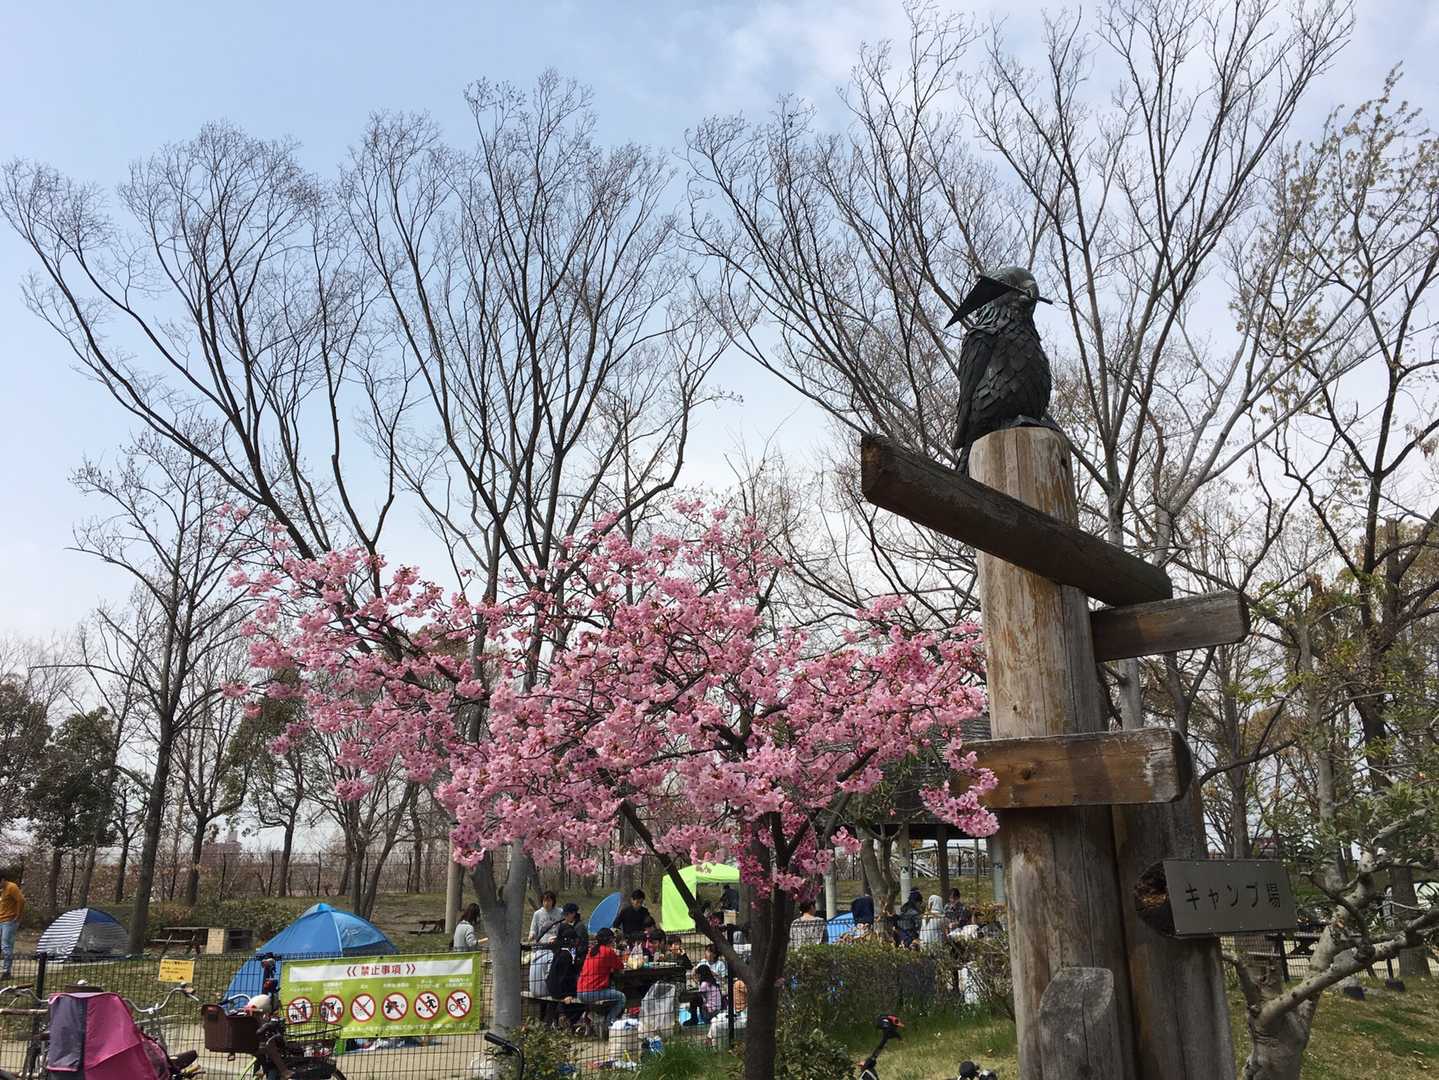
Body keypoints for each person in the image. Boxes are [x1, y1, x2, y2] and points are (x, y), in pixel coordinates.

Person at [577, 928, 628, 1026]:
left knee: (611, 991)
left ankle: (600, 1020)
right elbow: (620, 966)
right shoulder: (608, 951)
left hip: (580, 991)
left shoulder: (592, 951)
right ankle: (608, 1023)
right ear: (610, 940)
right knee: (621, 997)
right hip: (592, 992)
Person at [0, 870, 22, 979]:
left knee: (6, 945)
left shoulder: (12, 887)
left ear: (3, 880)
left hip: (9, 921)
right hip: (1, 920)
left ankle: (6, 972)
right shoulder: (2, 890)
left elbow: (21, 900)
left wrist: (18, 915)